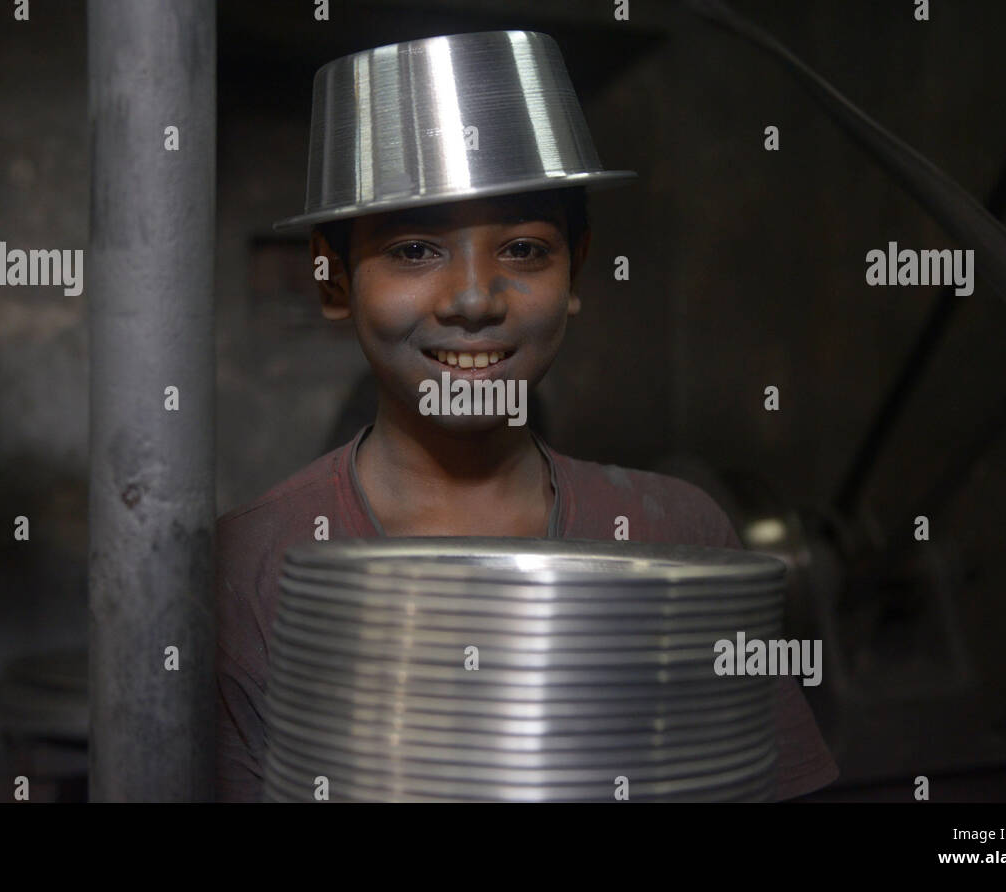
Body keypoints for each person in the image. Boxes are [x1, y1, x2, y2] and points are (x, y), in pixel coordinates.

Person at [215, 30, 837, 802]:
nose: (474, 299)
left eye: (522, 250)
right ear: (333, 279)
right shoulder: (248, 566)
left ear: (576, 266)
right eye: (413, 250)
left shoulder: (677, 535)